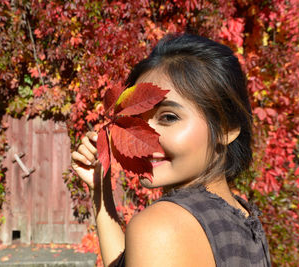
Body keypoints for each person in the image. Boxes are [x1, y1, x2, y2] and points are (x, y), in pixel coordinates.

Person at [71, 33, 271, 267]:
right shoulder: (242, 219)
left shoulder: (161, 227)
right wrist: (101, 190)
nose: (142, 134)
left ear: (227, 128)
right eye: (135, 119)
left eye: (168, 117)